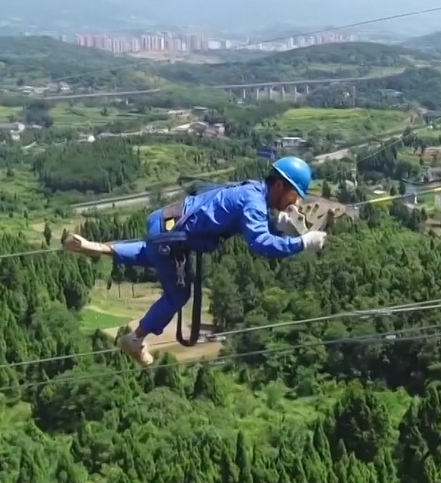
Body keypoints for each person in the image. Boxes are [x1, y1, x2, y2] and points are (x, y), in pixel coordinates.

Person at [64, 156, 327, 366]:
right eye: (295, 194)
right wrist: (303, 243)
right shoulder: (255, 203)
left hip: (164, 222)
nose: (296, 202)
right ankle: (135, 339)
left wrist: (278, 223)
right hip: (173, 238)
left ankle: (98, 247)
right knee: (178, 295)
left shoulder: (250, 190)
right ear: (280, 186)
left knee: (153, 252)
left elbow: (246, 221)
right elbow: (260, 243)